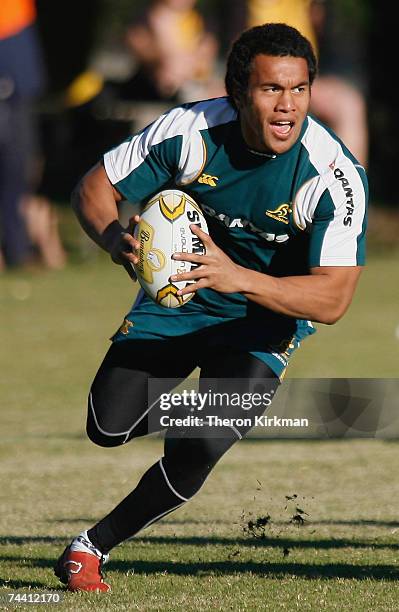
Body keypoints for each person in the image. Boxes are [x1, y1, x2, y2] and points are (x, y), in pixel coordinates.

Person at [54, 23, 367, 592]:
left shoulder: (333, 176)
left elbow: (333, 298)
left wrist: (237, 276)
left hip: (264, 319)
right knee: (107, 425)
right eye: (272, 89)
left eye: (299, 90)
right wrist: (113, 238)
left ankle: (90, 546)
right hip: (182, 299)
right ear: (237, 91)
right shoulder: (192, 131)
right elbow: (94, 187)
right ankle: (216, 413)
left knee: (203, 438)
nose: (287, 106)